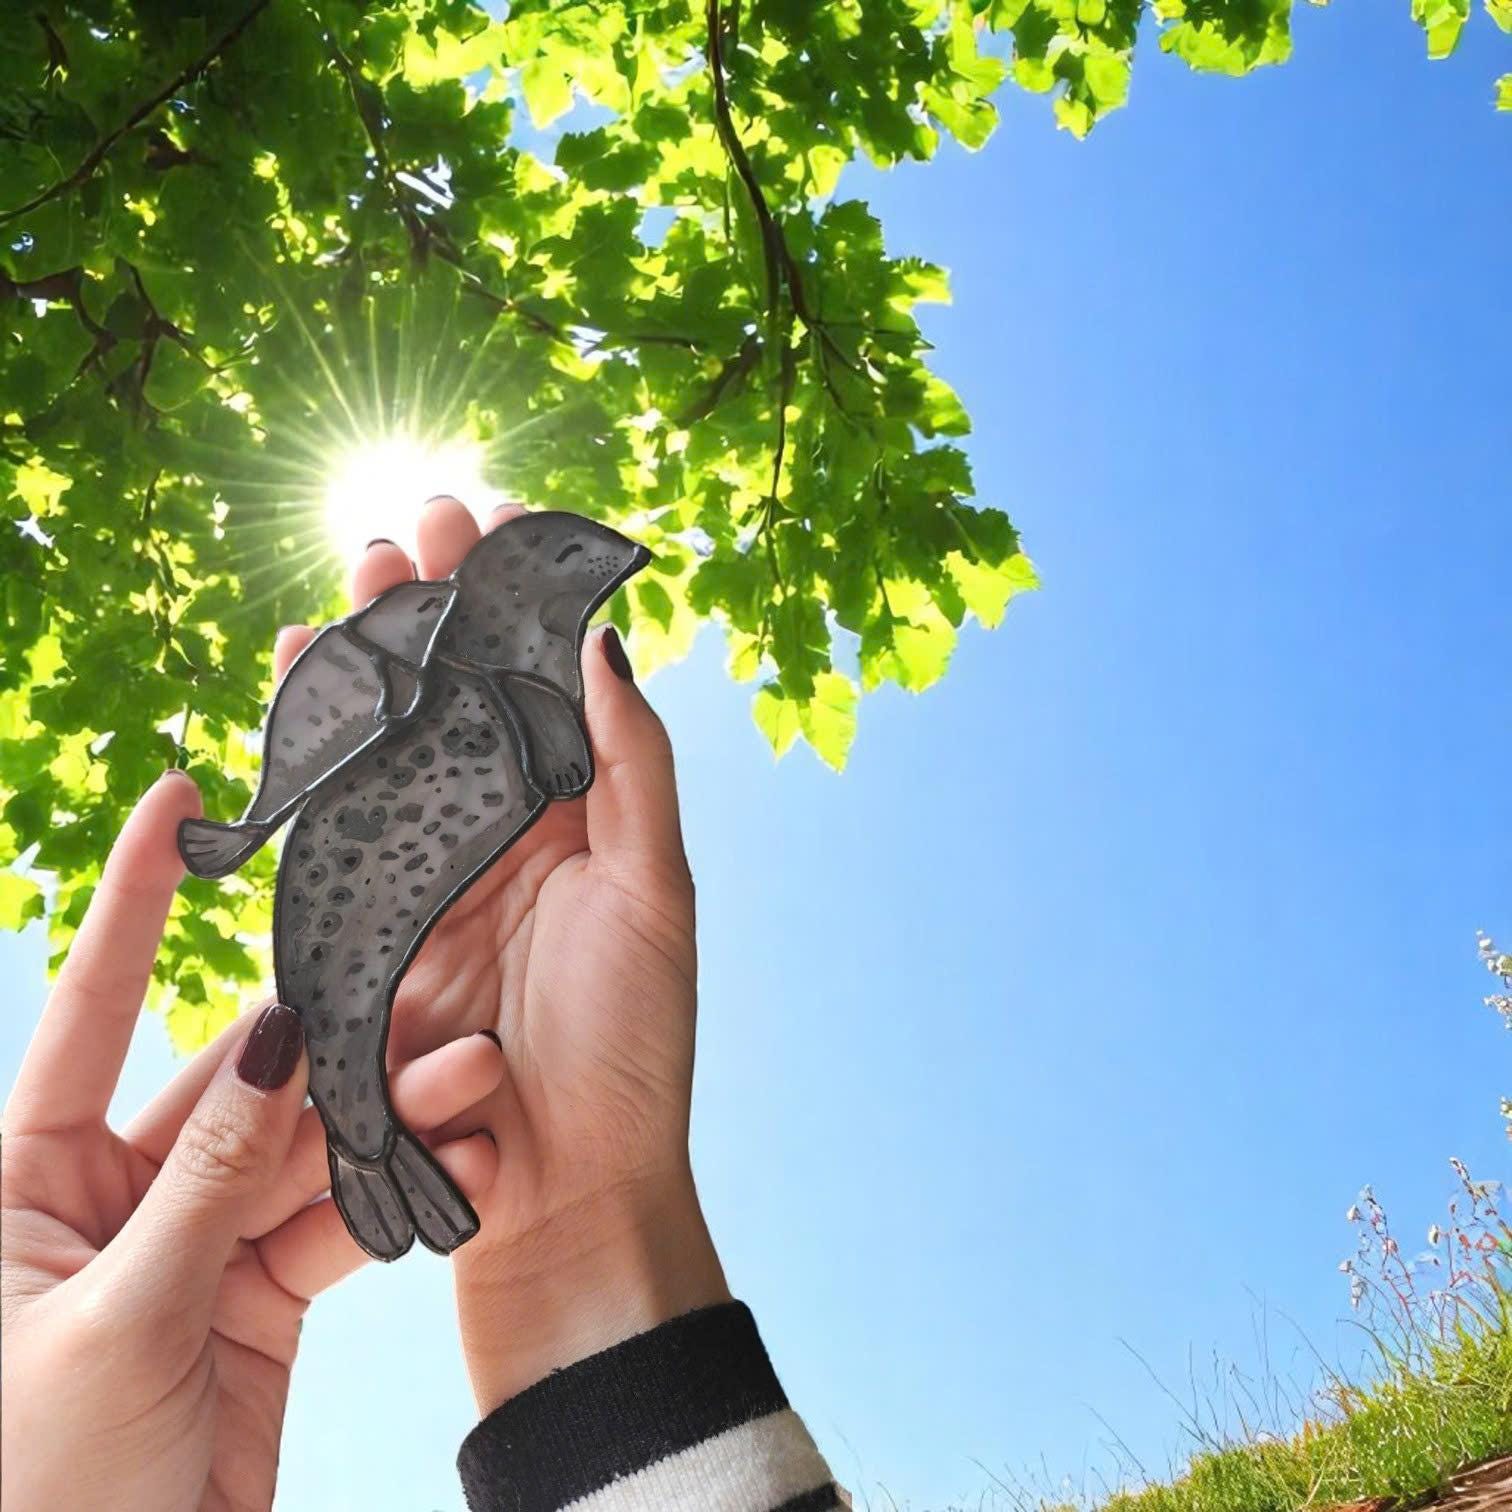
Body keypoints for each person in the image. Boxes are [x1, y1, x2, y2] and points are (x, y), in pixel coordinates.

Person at [0, 497, 843, 1512]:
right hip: (337, 868)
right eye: (575, 568)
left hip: (356, 872)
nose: (604, 574)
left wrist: (581, 1223)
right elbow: (359, 705)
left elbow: (553, 754)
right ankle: (370, 1142)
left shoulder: (513, 689)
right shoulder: (450, 654)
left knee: (363, 1058)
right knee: (353, 1052)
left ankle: (374, 1144)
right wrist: (263, 819)